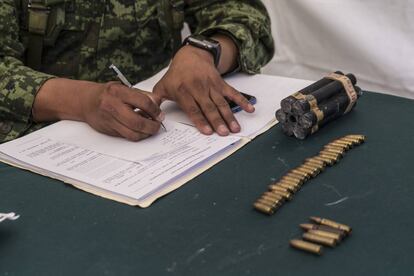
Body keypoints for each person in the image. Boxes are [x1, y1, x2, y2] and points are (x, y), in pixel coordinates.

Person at [0, 0, 274, 143]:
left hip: (164, 136)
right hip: (43, 144)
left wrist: (204, 52)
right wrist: (82, 101)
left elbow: (242, 12)